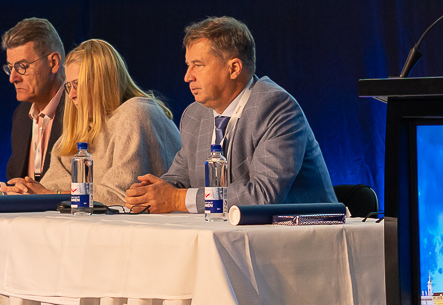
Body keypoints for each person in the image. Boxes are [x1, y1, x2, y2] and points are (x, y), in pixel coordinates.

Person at [125, 17, 334, 213]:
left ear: (233, 68)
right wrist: (150, 193)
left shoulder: (276, 107)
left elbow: (263, 195)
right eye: (188, 66)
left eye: (198, 65)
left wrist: (178, 199)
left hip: (304, 232)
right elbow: (180, 179)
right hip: (229, 232)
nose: (187, 77)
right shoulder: (194, 115)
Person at [4, 39, 181, 208]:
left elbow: (120, 197)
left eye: (77, 84)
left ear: (103, 82)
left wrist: (49, 195)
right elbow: (51, 186)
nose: (71, 95)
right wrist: (27, 191)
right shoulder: (83, 127)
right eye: (68, 86)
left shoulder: (136, 112)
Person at [0, 18, 66, 182]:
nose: (13, 78)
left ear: (53, 62)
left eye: (22, 67)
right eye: (10, 68)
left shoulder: (82, 110)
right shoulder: (22, 115)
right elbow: (15, 185)